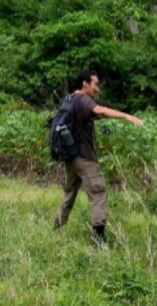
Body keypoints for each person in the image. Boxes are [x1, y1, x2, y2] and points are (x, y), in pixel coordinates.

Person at [53, 70, 144, 246]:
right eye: (95, 84)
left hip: (70, 157)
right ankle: (99, 238)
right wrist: (127, 116)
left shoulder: (69, 99)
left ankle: (57, 226)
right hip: (84, 157)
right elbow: (99, 110)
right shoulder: (84, 99)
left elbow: (90, 116)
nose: (97, 88)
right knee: (98, 193)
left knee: (69, 194)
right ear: (85, 84)